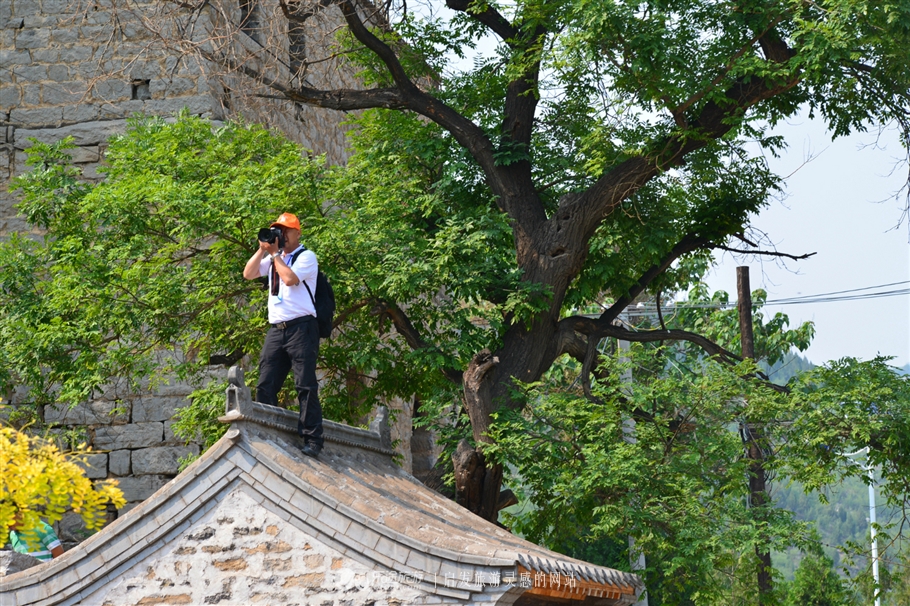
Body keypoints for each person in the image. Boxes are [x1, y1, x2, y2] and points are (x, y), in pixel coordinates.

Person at [243, 212, 324, 457]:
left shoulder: (306, 256)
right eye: (278, 231)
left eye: (285, 231)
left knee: (304, 384)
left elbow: (289, 279)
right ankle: (267, 433)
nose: (282, 235)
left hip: (302, 328)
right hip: (277, 329)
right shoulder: (274, 258)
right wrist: (262, 249)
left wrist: (276, 255)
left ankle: (312, 439)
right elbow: (248, 274)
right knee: (265, 383)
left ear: (297, 233)